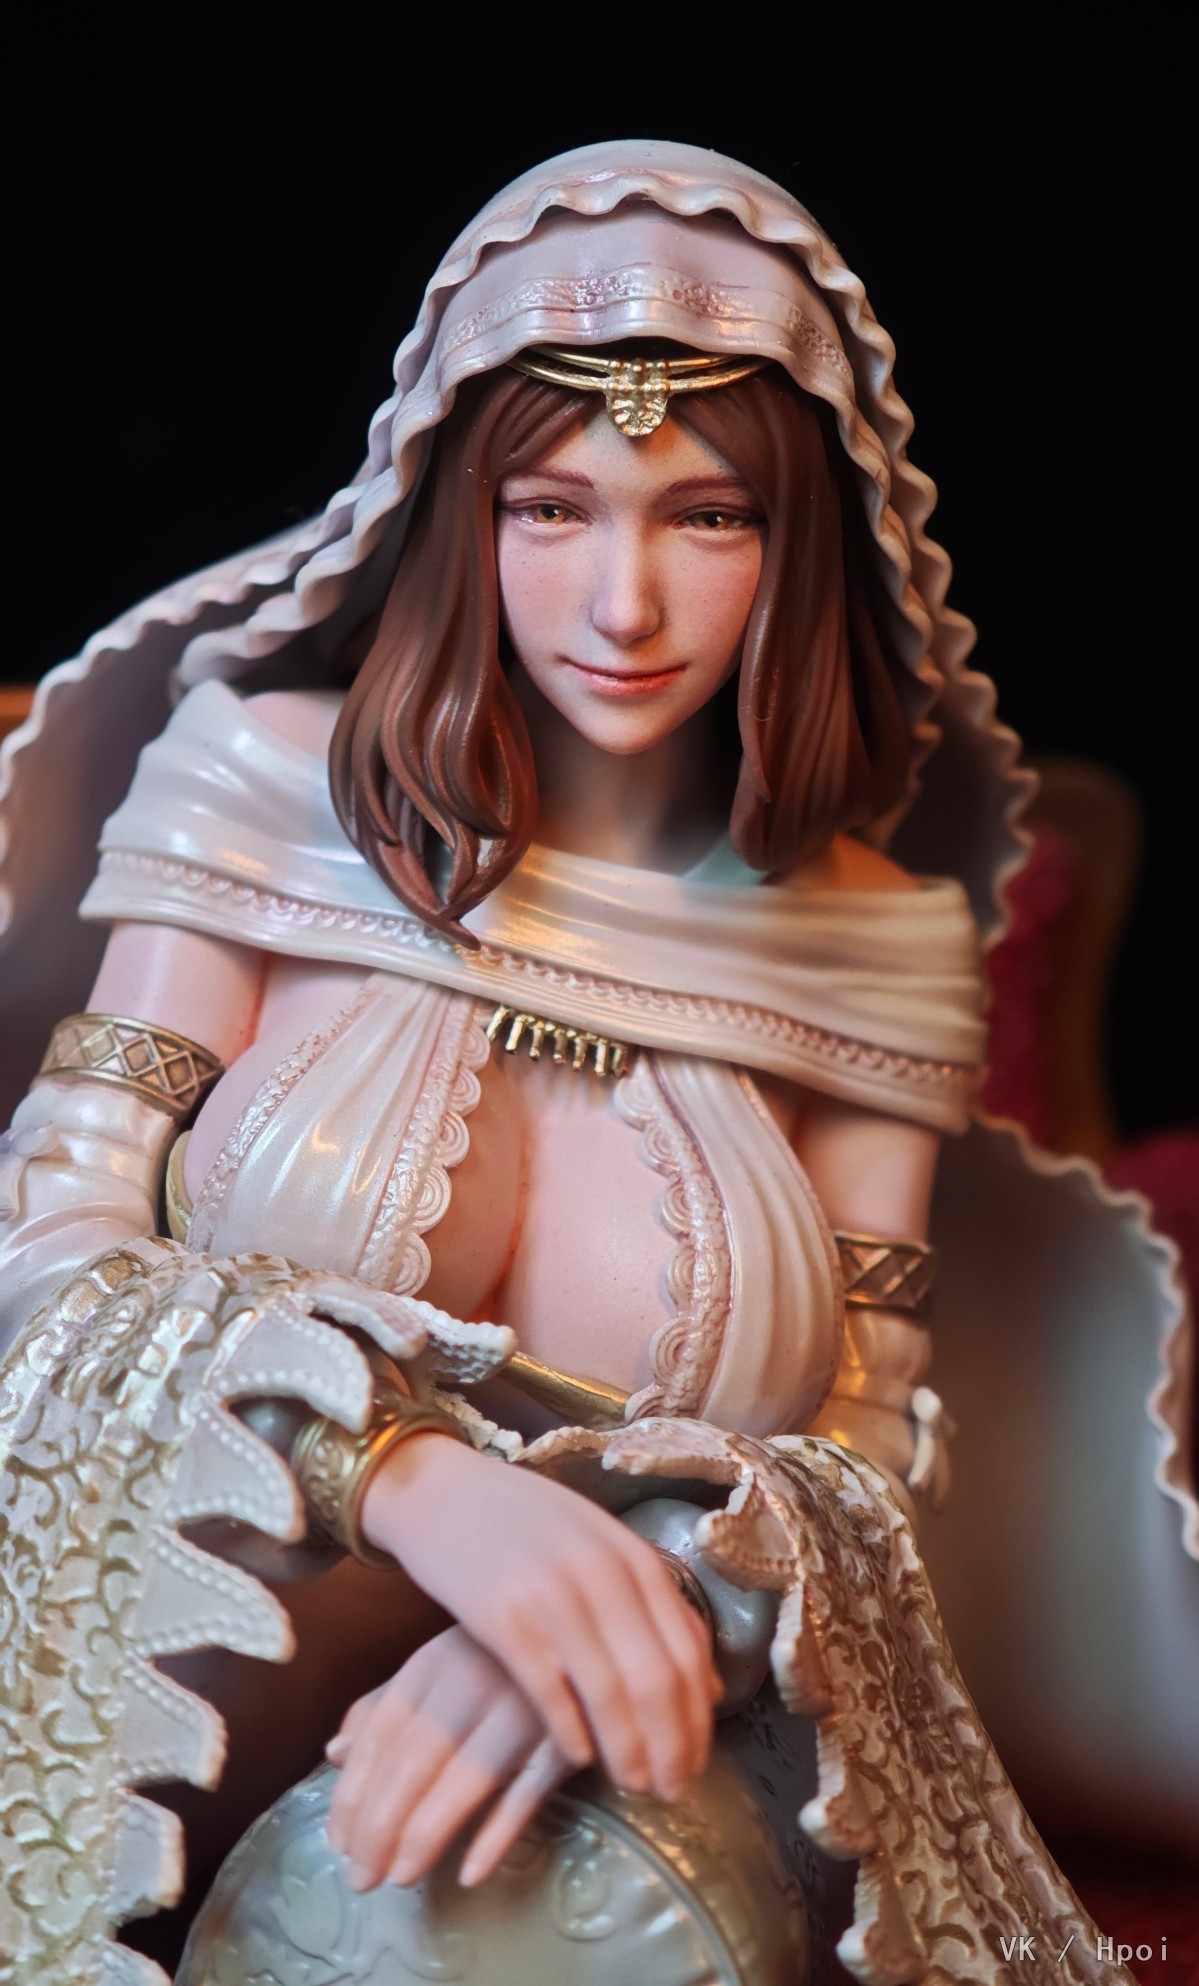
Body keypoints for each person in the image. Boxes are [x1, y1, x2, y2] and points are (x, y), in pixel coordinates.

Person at [1, 141, 1193, 1983]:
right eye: (552, 507)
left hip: (606, 1779)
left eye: (708, 517)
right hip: (131, 1670)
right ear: (451, 510)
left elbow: (863, 1438)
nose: (622, 603)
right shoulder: (255, 789)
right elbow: (51, 1252)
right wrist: (414, 1483)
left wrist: (648, 1607)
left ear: (805, 541)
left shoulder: (875, 946)